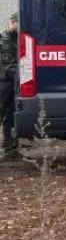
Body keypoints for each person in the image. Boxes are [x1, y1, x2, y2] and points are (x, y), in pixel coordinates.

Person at [0, 13, 18, 159]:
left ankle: (11, 149)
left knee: (11, 116)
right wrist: (24, 78)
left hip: (10, 84)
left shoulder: (15, 39)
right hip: (2, 84)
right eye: (18, 24)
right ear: (12, 22)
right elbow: (10, 66)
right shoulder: (5, 41)